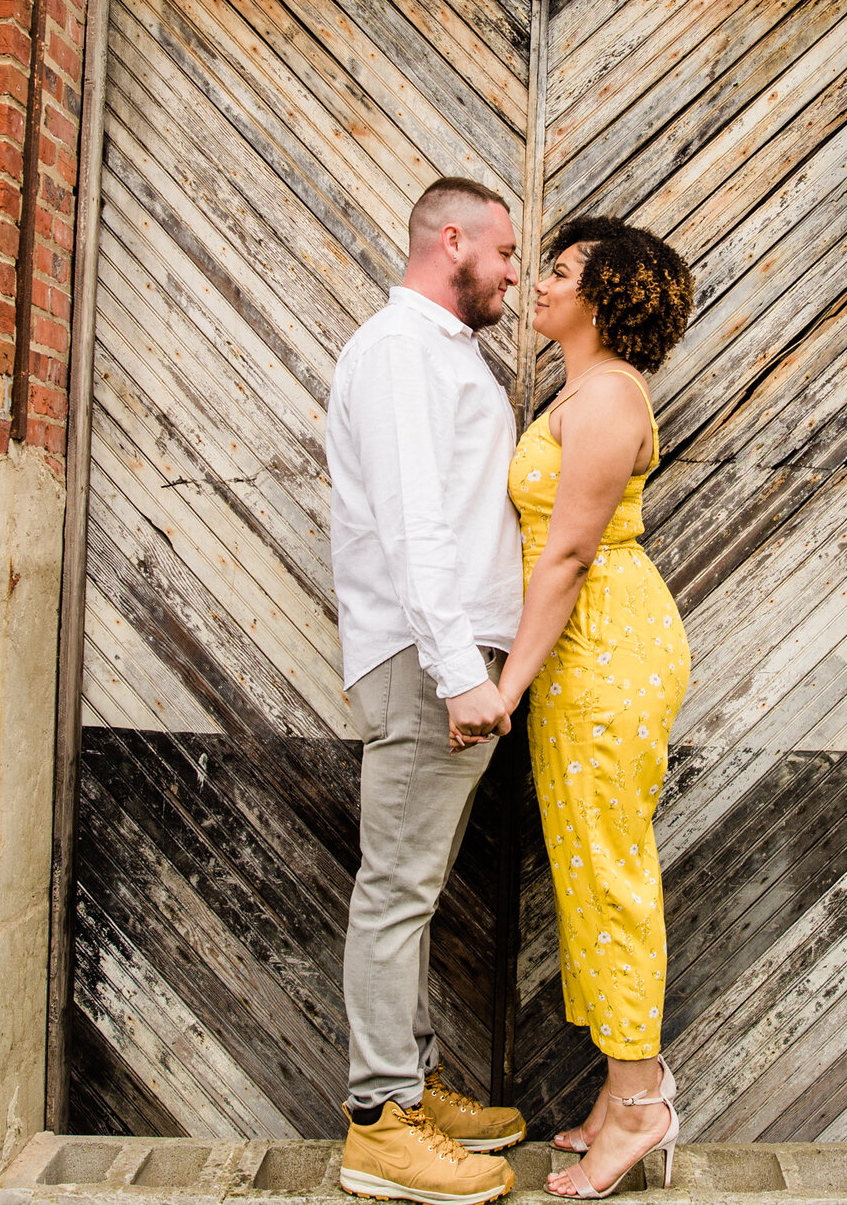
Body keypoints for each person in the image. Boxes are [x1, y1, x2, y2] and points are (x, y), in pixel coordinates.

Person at [459, 217, 696, 1201]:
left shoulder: (603, 398)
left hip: (606, 651)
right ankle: (619, 1089)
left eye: (557, 271)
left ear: (604, 296)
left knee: (609, 869)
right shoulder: (584, 389)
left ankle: (641, 1105)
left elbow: (565, 554)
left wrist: (505, 685)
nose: (540, 285)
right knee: (590, 864)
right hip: (584, 650)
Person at [329, 178, 532, 1205]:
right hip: (426, 660)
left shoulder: (443, 352)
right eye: (503, 250)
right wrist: (459, 672)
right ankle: (378, 1122)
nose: (512, 271)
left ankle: (408, 1084)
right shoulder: (402, 350)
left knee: (411, 882)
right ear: (451, 238)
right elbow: (416, 525)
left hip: (447, 656)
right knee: (395, 886)